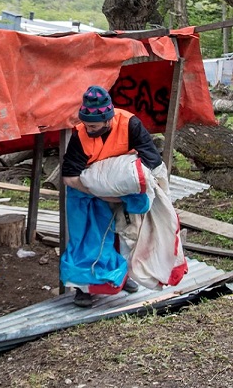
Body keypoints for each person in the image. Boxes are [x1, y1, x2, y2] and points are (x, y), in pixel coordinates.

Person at [61, 85, 163, 308]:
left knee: (122, 237)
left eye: (94, 126)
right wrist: (100, 192)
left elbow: (152, 160)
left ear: (108, 120)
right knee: (86, 241)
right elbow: (69, 176)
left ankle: (120, 278)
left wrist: (126, 190)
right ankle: (84, 289)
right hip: (85, 193)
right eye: (86, 125)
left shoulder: (130, 124)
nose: (89, 129)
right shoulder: (80, 135)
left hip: (121, 190)